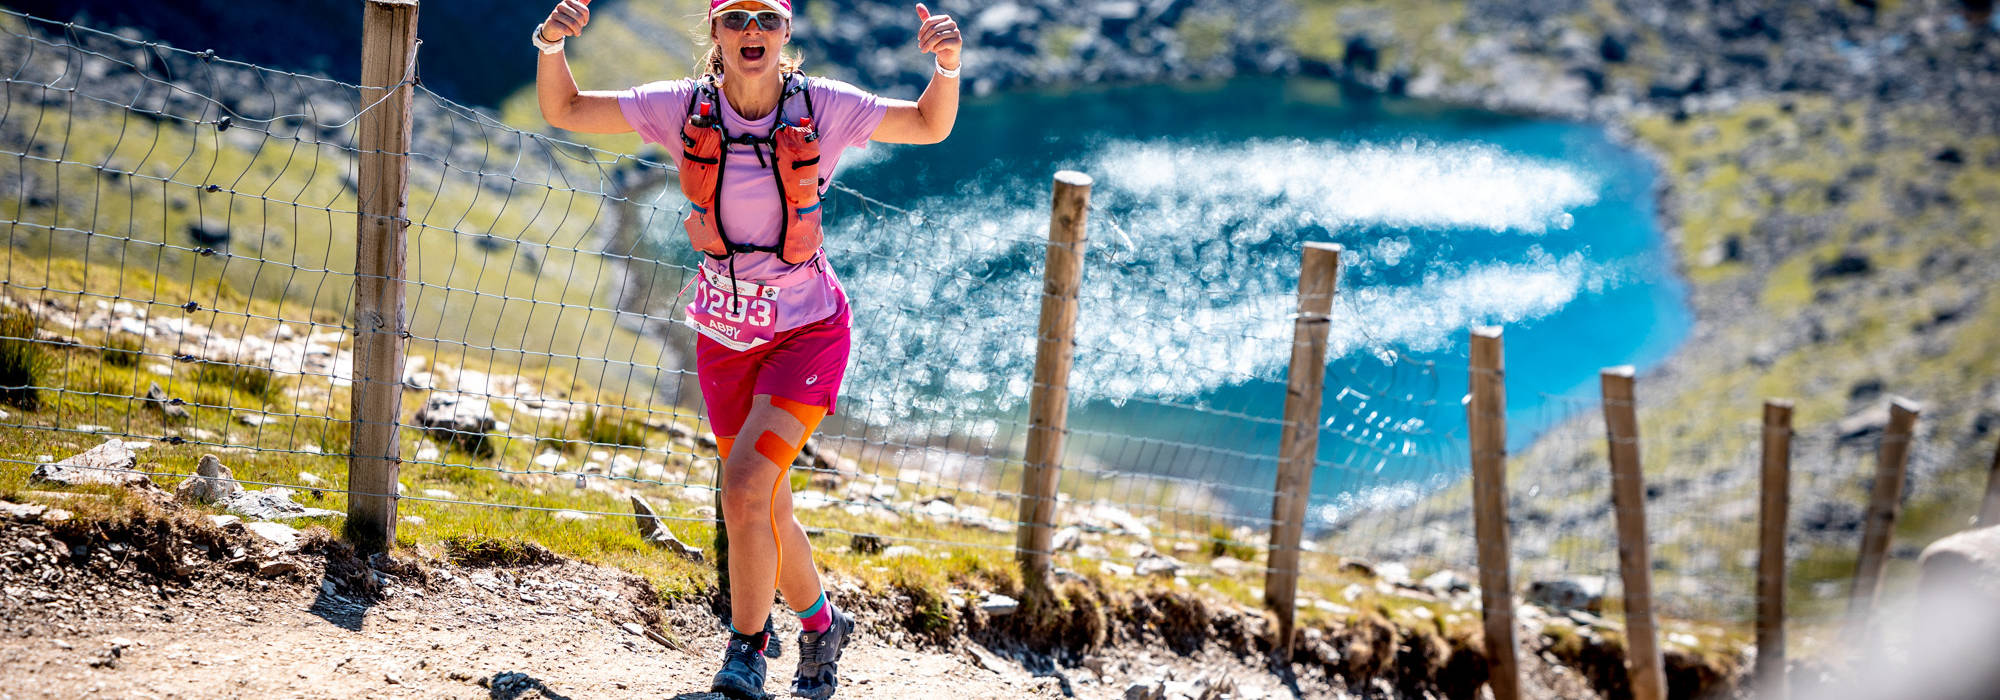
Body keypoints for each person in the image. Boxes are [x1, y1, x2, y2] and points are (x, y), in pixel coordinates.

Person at [531, 0, 961, 697]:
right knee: (767, 504)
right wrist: (549, 45)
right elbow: (569, 111)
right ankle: (823, 628)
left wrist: (946, 64)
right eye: (736, 19)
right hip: (725, 338)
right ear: (715, 33)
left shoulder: (822, 104)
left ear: (786, 31)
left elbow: (928, 122)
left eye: (766, 18)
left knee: (744, 487)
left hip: (808, 331)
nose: (751, 32)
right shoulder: (683, 107)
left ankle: (747, 649)